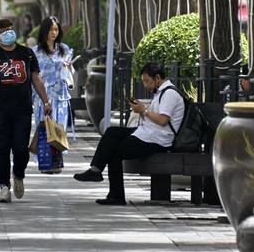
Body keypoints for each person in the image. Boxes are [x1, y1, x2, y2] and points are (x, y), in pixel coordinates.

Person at [73, 63, 185, 206]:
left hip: (158, 140)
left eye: (147, 81)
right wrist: (141, 110)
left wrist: (144, 111)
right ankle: (96, 170)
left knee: (114, 151)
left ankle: (115, 195)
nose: (145, 85)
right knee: (112, 132)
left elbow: (163, 120)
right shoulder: (161, 93)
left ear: (157, 78)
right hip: (147, 133)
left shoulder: (169, 94)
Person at [0, 19, 52, 203]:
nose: (8, 32)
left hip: (22, 109)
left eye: (10, 29)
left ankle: (18, 175)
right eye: (3, 30)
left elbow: (36, 79)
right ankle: (3, 187)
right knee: (2, 149)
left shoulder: (27, 53)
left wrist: (45, 101)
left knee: (21, 149)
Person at [31, 16, 74, 144]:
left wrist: (69, 66)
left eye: (56, 29)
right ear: (44, 31)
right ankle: (46, 161)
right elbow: (33, 77)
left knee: (59, 134)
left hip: (60, 96)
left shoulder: (64, 49)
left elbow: (70, 72)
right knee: (45, 133)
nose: (54, 32)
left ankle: (57, 161)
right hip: (43, 98)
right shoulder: (35, 52)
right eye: (50, 29)